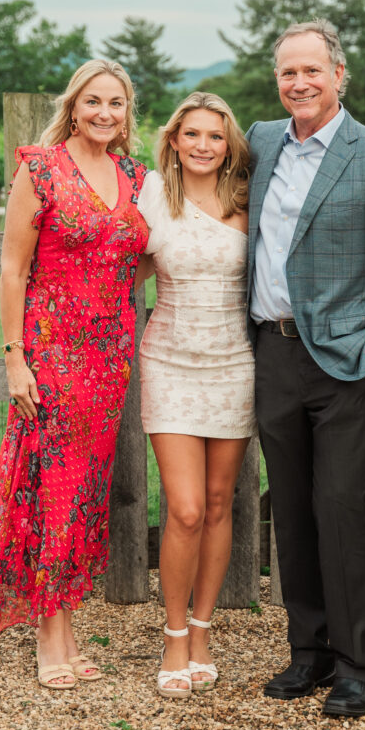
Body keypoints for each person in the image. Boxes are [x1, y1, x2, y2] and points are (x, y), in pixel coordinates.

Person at [247, 19, 365, 717]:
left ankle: (356, 665)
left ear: (339, 75)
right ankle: (308, 652)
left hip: (343, 364)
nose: (298, 83)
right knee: (291, 513)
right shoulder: (262, 142)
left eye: (311, 71)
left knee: (340, 510)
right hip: (273, 353)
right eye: (287, 73)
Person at [0, 59, 148, 690]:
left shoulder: (135, 175)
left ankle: (66, 629)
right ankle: (50, 636)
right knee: (54, 489)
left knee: (84, 493)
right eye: (93, 102)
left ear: (128, 114)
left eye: (117, 104)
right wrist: (14, 356)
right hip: (51, 352)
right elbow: (13, 269)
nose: (105, 113)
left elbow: (134, 258)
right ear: (74, 107)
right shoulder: (40, 168)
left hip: (110, 356)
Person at [136, 92, 255, 698]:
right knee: (182, 508)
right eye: (193, 135)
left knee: (216, 503)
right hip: (170, 363)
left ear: (228, 143)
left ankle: (204, 631)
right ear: (175, 142)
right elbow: (118, 267)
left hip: (234, 364)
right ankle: (174, 636)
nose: (204, 145)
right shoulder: (153, 195)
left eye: (215, 136)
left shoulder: (246, 200)